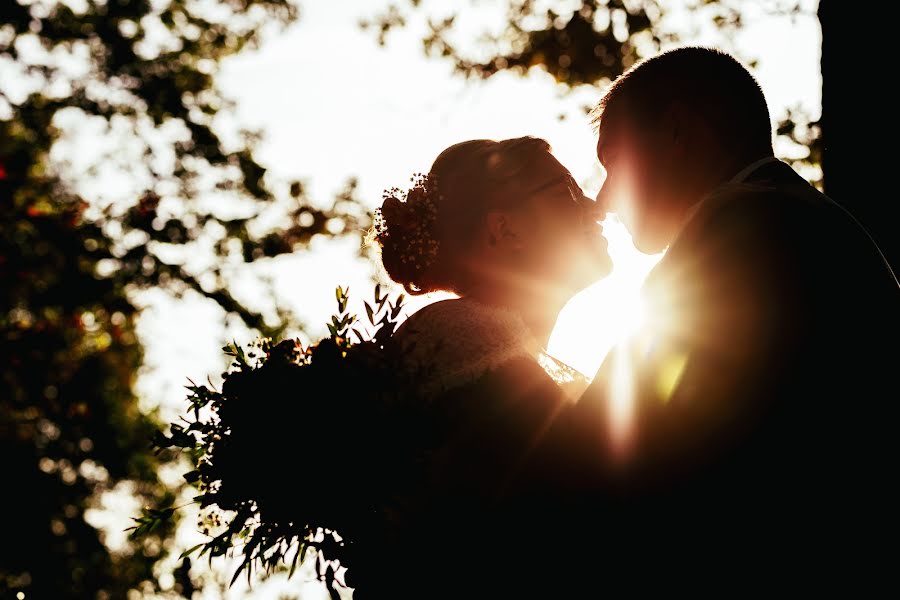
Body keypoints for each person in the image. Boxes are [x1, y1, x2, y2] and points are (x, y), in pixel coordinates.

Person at [569, 47, 899, 584]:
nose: (603, 200)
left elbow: (616, 440)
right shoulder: (794, 219)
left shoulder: (745, 228)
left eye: (614, 164)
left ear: (677, 132)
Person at [349, 136, 612, 597]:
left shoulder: (509, 346)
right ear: (505, 231)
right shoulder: (457, 335)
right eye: (564, 193)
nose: (594, 207)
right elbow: (588, 479)